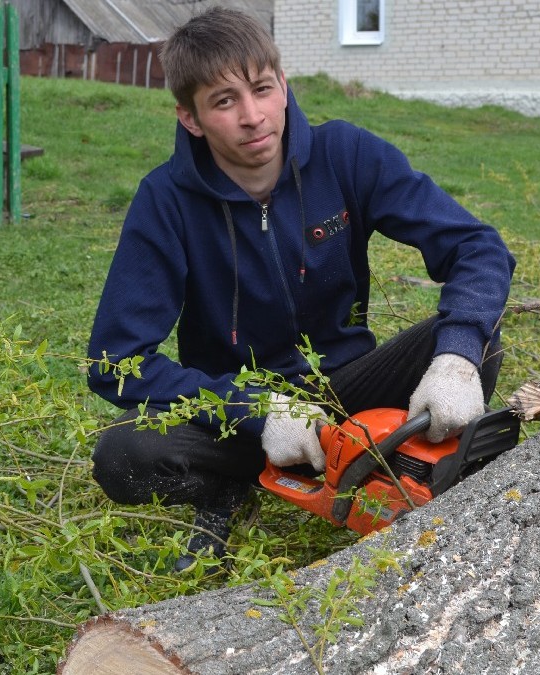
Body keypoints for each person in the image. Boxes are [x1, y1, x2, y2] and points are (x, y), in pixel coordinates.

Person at [87, 7, 514, 571]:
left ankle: (384, 471)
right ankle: (237, 483)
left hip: (349, 396)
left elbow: (477, 247)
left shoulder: (345, 154)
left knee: (474, 341)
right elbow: (115, 360)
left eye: (263, 89)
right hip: (243, 413)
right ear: (190, 118)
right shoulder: (165, 202)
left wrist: (456, 357)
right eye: (223, 102)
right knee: (124, 456)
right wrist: (256, 411)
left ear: (283, 85)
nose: (253, 116)